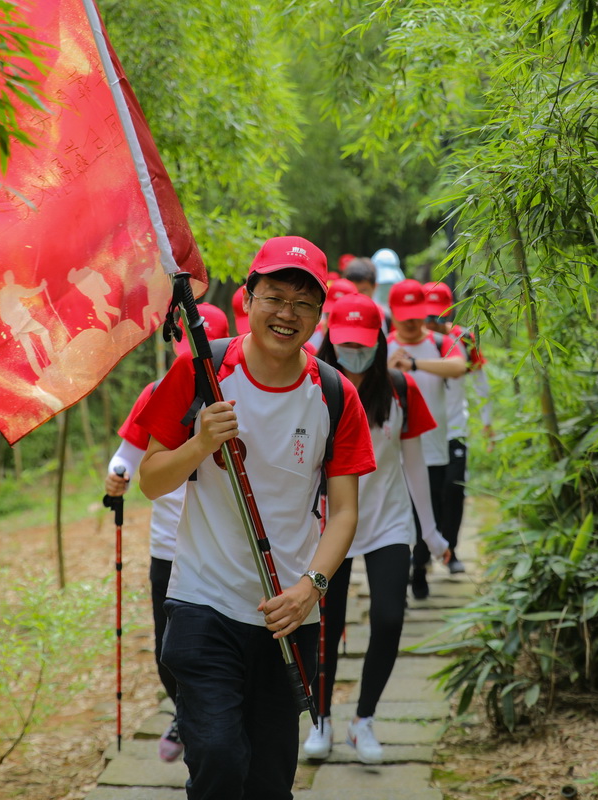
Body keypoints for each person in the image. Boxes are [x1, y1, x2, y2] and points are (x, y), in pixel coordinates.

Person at [132, 236, 376, 800]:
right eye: (274, 296)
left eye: (302, 303)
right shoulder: (204, 370)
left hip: (285, 616)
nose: (286, 313)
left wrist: (311, 588)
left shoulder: (334, 394)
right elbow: (151, 480)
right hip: (202, 604)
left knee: (269, 780)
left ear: (320, 315)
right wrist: (198, 446)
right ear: (248, 297)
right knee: (217, 754)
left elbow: (344, 512)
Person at [303, 293, 451, 764]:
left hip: (387, 523)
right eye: (345, 344)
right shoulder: (311, 389)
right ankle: (321, 718)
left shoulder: (400, 390)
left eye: (363, 344)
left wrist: (431, 532)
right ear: (330, 343)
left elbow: (415, 466)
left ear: (379, 343)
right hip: (329, 528)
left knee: (389, 617)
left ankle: (363, 719)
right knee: (327, 624)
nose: (355, 353)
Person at [103, 303, 230, 762]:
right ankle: (186, 712)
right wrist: (116, 475)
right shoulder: (157, 392)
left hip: (222, 543)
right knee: (166, 653)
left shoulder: (237, 392)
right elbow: (126, 456)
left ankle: (208, 724)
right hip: (168, 547)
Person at [386, 279, 466, 599]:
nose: (410, 320)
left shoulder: (439, 342)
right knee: (398, 515)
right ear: (392, 313)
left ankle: (418, 569)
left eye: (415, 313)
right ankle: (397, 580)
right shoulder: (384, 344)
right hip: (391, 450)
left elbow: (459, 366)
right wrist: (388, 368)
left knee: (426, 514)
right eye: (403, 314)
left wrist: (415, 364)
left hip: (431, 448)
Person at [423, 281, 492, 574]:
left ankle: (451, 549)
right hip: (424, 432)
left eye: (440, 317)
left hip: (455, 429)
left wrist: (488, 424)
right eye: (429, 317)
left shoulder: (462, 339)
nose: (435, 324)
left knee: (454, 489)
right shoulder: (416, 341)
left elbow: (481, 382)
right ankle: (425, 550)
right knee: (428, 490)